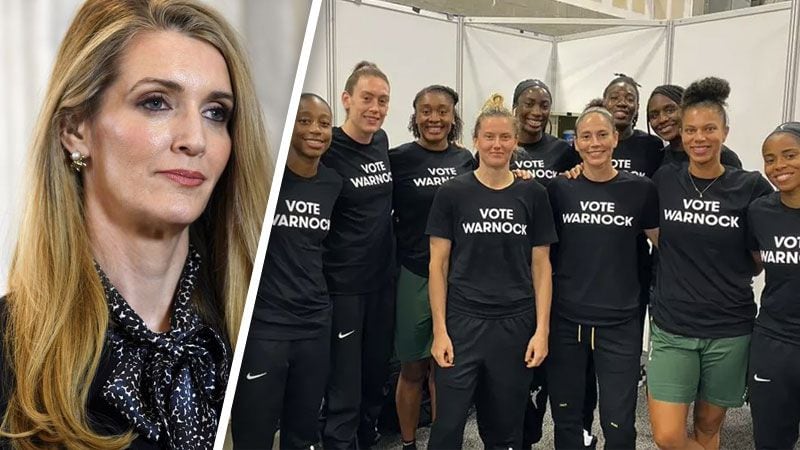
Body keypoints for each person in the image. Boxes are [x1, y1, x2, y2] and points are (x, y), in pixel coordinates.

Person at [0, 0, 269, 448]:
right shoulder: (10, 352)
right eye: (156, 102)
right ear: (75, 129)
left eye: (216, 112)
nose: (195, 140)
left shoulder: (247, 324)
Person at [647, 77, 773, 450]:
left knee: (706, 428)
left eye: (709, 129)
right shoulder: (665, 180)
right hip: (673, 326)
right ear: (682, 135)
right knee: (668, 435)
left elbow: (760, 256)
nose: (699, 138)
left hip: (729, 328)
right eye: (691, 130)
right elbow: (658, 237)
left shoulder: (749, 187)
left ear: (725, 132)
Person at [426, 94, 557, 449]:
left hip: (515, 324)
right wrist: (440, 330)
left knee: (504, 431)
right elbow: (437, 265)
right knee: (447, 426)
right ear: (475, 141)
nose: (497, 144)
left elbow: (541, 266)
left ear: (515, 141)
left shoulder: (533, 194)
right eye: (489, 137)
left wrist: (541, 330)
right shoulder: (453, 192)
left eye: (504, 137)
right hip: (462, 322)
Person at [231, 94, 341, 449]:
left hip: (314, 325)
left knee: (303, 430)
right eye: (304, 120)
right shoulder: (263, 180)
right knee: (255, 432)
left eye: (324, 123)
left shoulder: (332, 185)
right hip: (265, 326)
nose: (315, 129)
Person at [546, 105, 659, 450]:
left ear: (615, 139)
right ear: (576, 144)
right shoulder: (559, 189)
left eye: (602, 134)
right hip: (566, 318)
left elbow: (665, 245)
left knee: (619, 420)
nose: (594, 143)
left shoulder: (641, 190)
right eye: (586, 136)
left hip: (620, 321)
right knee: (566, 416)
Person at [389, 85, 475, 449]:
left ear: (453, 116)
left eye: (442, 111)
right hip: (414, 273)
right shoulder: (398, 158)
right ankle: (408, 443)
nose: (434, 119)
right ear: (415, 114)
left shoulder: (466, 160)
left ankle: (443, 442)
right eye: (426, 111)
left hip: (457, 278)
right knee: (412, 369)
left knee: (446, 369)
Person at [320, 61, 395, 450]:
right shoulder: (328, 148)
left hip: (383, 282)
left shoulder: (381, 142)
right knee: (344, 383)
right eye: (367, 98)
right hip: (344, 286)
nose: (375, 108)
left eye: (383, 101)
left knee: (375, 371)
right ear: (346, 99)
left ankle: (368, 437)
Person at [746, 122, 800, 450]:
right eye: (770, 159)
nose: (778, 166)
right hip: (774, 339)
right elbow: (755, 259)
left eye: (790, 155)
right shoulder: (759, 211)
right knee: (770, 439)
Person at [646, 84, 742, 168]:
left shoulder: (723, 157)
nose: (662, 119)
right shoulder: (659, 158)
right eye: (654, 115)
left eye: (670, 110)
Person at [510, 79, 579, 185]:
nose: (537, 112)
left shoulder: (563, 150)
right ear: (515, 107)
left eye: (544, 106)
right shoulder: (500, 148)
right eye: (529, 104)